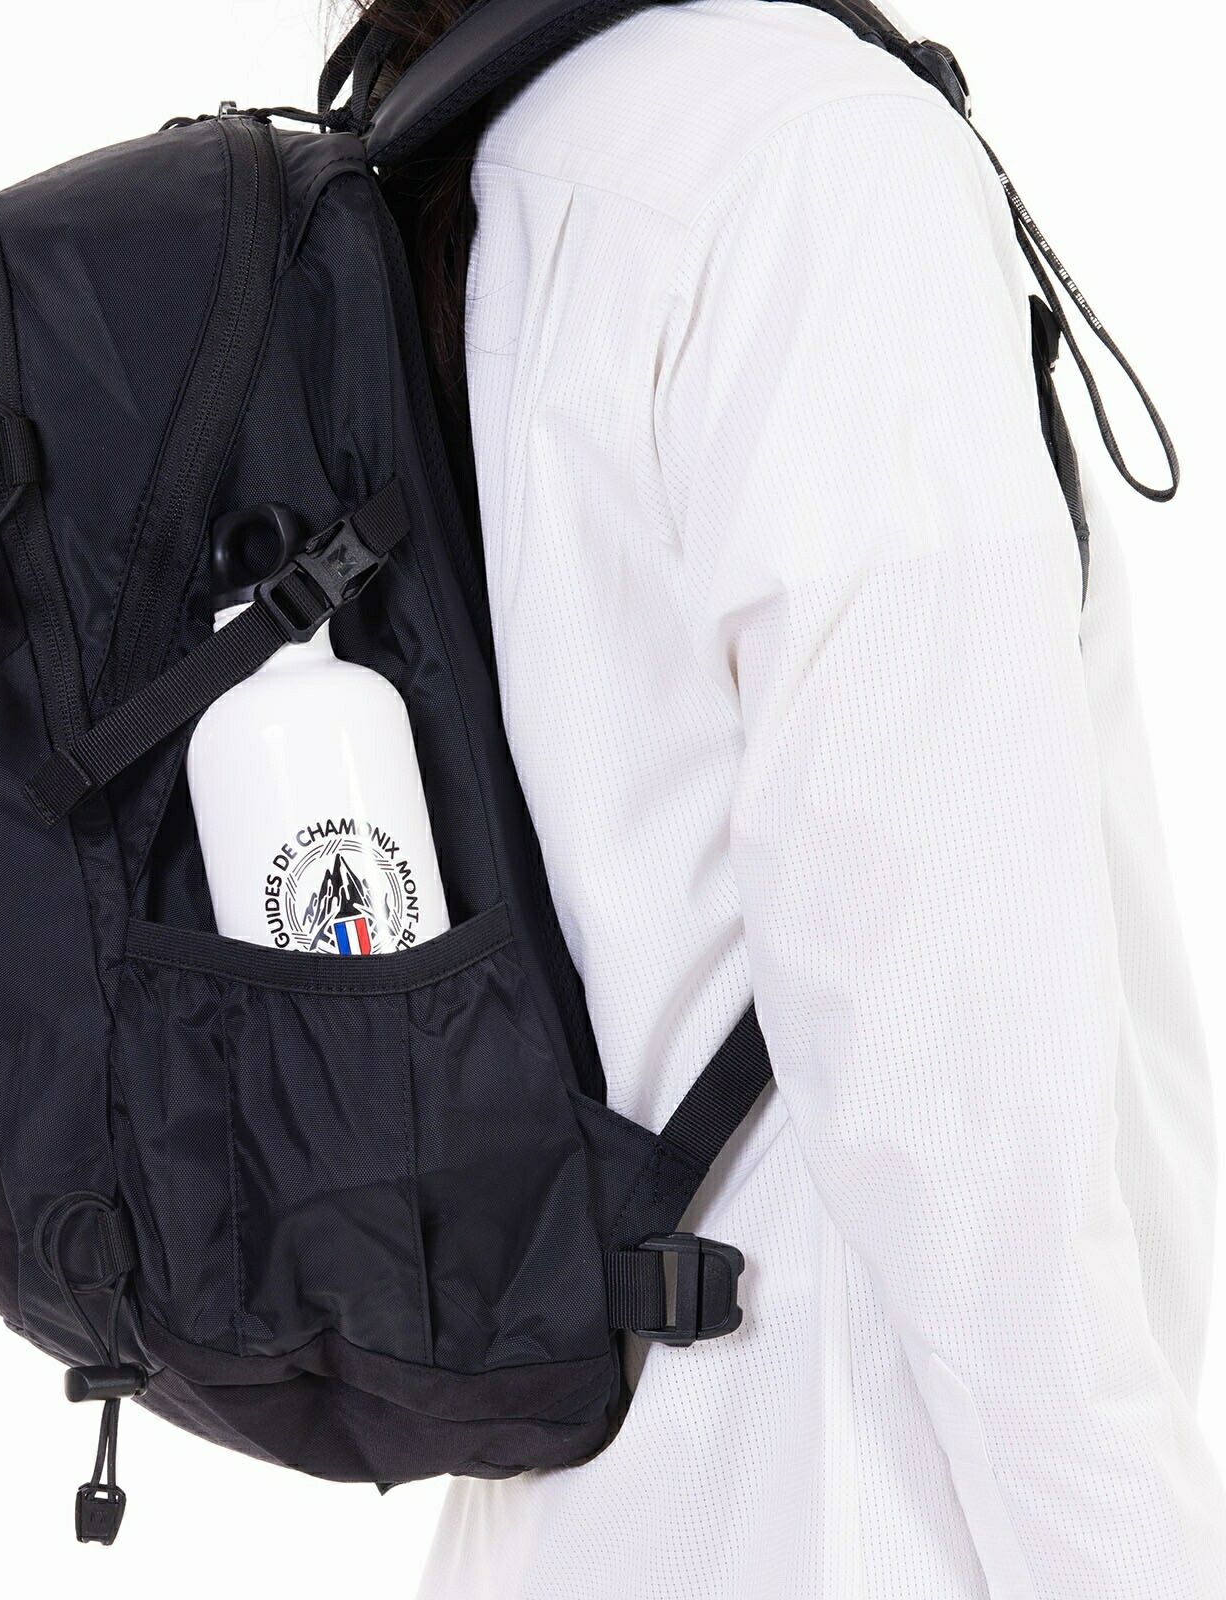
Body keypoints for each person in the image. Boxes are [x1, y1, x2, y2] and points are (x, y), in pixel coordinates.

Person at [342, 1, 1226, 1597]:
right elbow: (954, 1059)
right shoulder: (819, 161)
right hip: (859, 1511)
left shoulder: (474, 152)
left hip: (560, 1515)